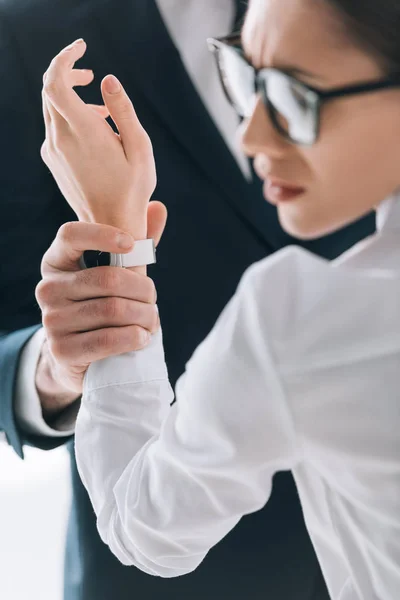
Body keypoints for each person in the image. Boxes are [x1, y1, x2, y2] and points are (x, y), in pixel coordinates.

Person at [0, 0, 374, 599]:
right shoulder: (28, 29)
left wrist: (123, 238)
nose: (257, 133)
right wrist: (59, 362)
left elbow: (142, 526)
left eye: (292, 98)